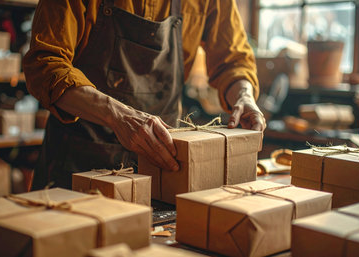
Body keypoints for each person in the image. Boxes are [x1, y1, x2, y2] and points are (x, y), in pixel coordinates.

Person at [23, 0, 266, 190]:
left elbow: (233, 61)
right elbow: (45, 64)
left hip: (164, 161)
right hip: (78, 161)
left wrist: (243, 96)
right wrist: (119, 116)